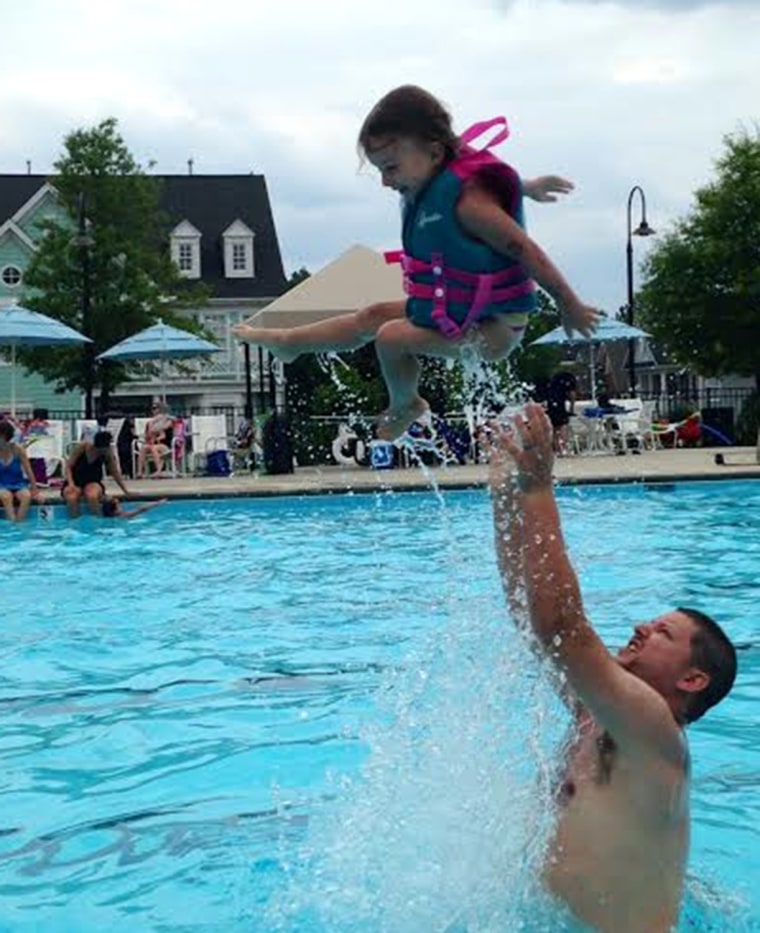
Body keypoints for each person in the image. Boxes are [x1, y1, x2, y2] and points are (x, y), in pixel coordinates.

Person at [485, 403, 737, 933]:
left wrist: (537, 488)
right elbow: (530, 616)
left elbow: (564, 627)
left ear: (692, 680)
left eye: (663, 633)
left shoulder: (654, 732)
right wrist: (505, 497)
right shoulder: (594, 714)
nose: (643, 627)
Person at [232, 85, 598, 440]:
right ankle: (290, 342)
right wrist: (527, 186)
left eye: (390, 168)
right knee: (373, 316)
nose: (384, 181)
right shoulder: (442, 173)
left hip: (495, 329)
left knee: (391, 336)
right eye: (379, 169)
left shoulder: (469, 206)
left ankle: (406, 403)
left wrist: (570, 305)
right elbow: (484, 169)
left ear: (435, 154)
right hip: (458, 308)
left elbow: (525, 250)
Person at [63, 430, 130, 518]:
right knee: (71, 497)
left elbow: (115, 473)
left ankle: (97, 520)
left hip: (93, 481)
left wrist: (125, 491)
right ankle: (75, 521)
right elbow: (68, 467)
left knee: (92, 495)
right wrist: (71, 484)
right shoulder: (82, 447)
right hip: (75, 480)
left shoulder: (107, 453)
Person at [0, 419, 41, 522]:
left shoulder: (18, 449)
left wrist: (35, 490)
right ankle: (12, 522)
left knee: (26, 496)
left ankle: (19, 525)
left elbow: (28, 470)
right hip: (1, 484)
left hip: (18, 483)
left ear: (5, 437)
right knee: (6, 497)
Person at [136, 402, 174, 478]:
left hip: (165, 444)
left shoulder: (168, 421)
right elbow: (147, 435)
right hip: (154, 443)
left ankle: (158, 471)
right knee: (144, 448)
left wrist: (154, 427)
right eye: (153, 409)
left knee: (154, 448)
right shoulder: (150, 423)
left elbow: (163, 433)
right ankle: (140, 472)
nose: (154, 411)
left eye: (156, 409)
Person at [545, 370, 578, 455]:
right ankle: (564, 447)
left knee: (554, 427)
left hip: (551, 404)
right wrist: (571, 408)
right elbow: (572, 395)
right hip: (559, 405)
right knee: (563, 424)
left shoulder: (554, 381)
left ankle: (556, 449)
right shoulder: (569, 380)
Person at [101, 495, 168, 520]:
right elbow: (142, 509)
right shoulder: (124, 516)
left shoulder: (105, 516)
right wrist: (158, 503)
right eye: (119, 505)